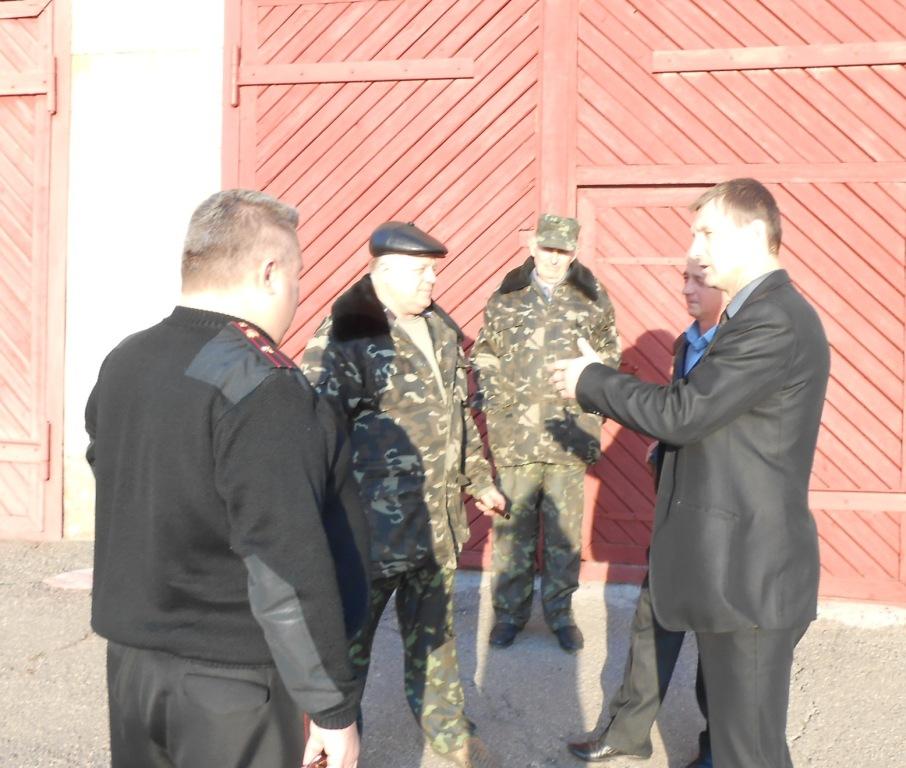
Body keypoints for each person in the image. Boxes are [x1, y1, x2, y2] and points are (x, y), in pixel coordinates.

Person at [86, 190, 370, 768]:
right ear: (269, 273)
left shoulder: (126, 360)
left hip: (135, 670)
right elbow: (284, 559)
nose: (297, 292)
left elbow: (116, 475)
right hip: (233, 686)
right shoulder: (260, 385)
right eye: (296, 274)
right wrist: (331, 707)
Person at [551, 178, 830, 768]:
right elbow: (718, 426)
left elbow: (683, 413)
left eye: (706, 233)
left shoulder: (772, 320)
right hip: (730, 563)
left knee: (749, 752)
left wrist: (590, 379)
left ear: (752, 234)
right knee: (735, 741)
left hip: (750, 576)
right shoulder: (753, 315)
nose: (693, 250)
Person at [301, 222, 507, 768]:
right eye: (421, 271)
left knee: (436, 641)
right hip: (369, 534)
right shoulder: (347, 333)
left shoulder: (439, 327)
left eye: (433, 270)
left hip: (436, 525)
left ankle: (449, 735)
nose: (432, 280)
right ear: (384, 271)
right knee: (347, 649)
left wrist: (479, 480)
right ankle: (328, 745)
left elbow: (459, 416)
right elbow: (312, 434)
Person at [568, 257, 723, 766]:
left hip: (721, 522)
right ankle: (627, 732)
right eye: (684, 279)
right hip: (676, 513)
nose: (687, 289)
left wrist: (596, 382)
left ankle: (717, 748)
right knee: (651, 625)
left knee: (717, 645)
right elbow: (678, 415)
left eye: (699, 280)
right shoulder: (687, 343)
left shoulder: (737, 348)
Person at [472, 213, 620, 653]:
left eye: (562, 251)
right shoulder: (506, 298)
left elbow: (608, 356)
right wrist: (496, 402)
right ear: (533, 246)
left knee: (563, 537)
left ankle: (560, 614)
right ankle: (509, 615)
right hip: (516, 435)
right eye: (547, 249)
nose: (554, 258)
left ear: (573, 252)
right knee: (512, 535)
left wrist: (592, 404)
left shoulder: (592, 299)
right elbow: (485, 352)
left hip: (567, 434)